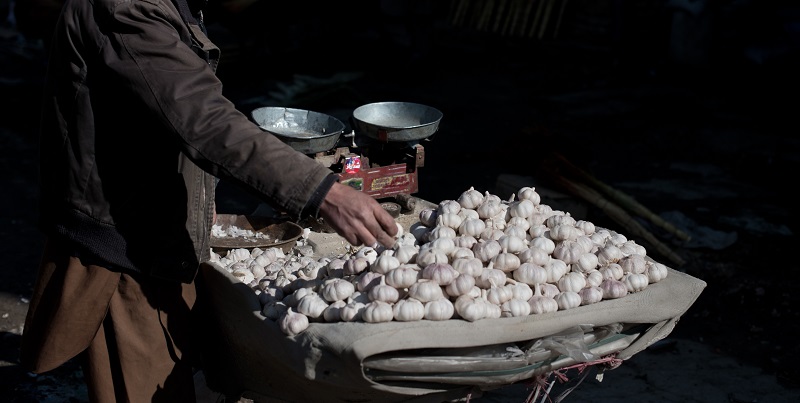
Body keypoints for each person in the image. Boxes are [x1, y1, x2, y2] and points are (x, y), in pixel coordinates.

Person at [19, 0, 398, 402]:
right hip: (126, 246)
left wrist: (199, 191)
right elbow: (205, 121)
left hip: (154, 225)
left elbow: (160, 109)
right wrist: (322, 191)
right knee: (148, 385)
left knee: (182, 361)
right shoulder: (126, 10)